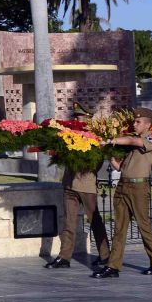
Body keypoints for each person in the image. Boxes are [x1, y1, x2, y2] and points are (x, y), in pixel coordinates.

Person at [92, 107, 152, 278]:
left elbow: (133, 142)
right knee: (119, 228)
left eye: (138, 122)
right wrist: (111, 157)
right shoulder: (130, 145)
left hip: (138, 188)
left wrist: (110, 140)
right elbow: (121, 168)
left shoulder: (150, 139)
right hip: (123, 186)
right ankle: (113, 267)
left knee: (144, 227)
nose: (134, 124)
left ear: (148, 124)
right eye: (134, 121)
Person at [45, 111, 110, 269]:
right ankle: (64, 257)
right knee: (69, 222)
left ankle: (105, 256)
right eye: (74, 117)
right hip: (69, 184)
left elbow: (97, 163)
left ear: (87, 119)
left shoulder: (95, 139)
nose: (76, 120)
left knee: (94, 221)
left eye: (79, 117)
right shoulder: (68, 136)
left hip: (86, 185)